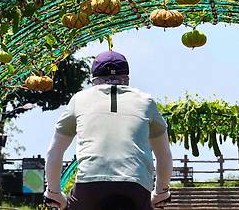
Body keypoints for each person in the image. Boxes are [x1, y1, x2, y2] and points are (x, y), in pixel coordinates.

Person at [44, 51, 173, 210]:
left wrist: (53, 192)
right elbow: (164, 155)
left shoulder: (79, 100)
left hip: (90, 184)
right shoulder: (146, 101)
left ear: (93, 79)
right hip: (135, 184)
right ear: (126, 78)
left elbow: (55, 151)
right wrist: (161, 192)